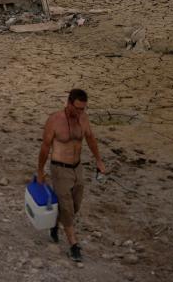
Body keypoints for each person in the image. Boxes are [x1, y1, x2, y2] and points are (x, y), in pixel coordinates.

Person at [36, 88, 106, 263]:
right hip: (60, 168)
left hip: (77, 167)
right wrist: (40, 171)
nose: (80, 112)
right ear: (68, 103)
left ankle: (54, 224)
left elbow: (90, 138)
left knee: (75, 206)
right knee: (67, 206)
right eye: (77, 108)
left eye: (84, 109)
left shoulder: (83, 119)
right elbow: (45, 147)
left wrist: (99, 160)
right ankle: (74, 245)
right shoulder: (55, 120)